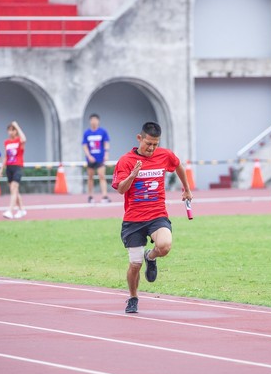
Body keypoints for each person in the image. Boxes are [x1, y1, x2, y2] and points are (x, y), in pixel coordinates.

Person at [112, 122, 193, 314]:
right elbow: (121, 189)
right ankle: (133, 298)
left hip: (157, 215)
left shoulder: (164, 155)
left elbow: (178, 165)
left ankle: (152, 256)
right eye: (148, 143)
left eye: (155, 144)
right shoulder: (126, 161)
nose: (151, 148)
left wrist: (187, 189)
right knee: (135, 264)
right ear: (139, 138)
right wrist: (133, 175)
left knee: (165, 245)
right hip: (133, 219)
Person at [0, 121, 27, 219]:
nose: (11, 132)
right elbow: (6, 156)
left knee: (14, 188)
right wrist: (1, 169)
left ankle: (10, 211)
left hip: (17, 166)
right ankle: (22, 209)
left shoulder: (19, 140)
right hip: (9, 167)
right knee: (14, 190)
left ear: (16, 131)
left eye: (13, 130)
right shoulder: (6, 142)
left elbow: (24, 139)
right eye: (9, 130)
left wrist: (17, 126)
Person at [82, 113, 111, 203]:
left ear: (98, 121)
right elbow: (84, 145)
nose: (93, 122)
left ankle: (104, 196)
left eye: (95, 120)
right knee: (90, 177)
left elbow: (106, 143)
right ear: (90, 121)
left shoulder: (103, 132)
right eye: (92, 120)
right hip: (90, 159)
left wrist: (106, 154)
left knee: (102, 176)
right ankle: (90, 196)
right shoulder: (87, 133)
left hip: (100, 158)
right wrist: (89, 156)